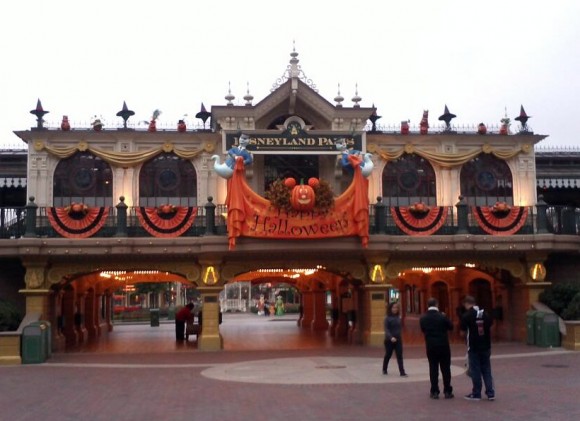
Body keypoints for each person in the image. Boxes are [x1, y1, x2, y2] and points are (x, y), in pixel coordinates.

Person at [461, 295, 495, 401]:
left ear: (467, 304)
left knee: (475, 370)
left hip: (474, 346)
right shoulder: (485, 314)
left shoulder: (467, 315)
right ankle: (490, 393)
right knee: (487, 369)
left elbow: (462, 332)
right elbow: (490, 325)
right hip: (486, 345)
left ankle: (476, 393)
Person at [419, 297, 454, 399]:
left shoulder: (423, 318)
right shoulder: (442, 317)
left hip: (431, 346)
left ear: (428, 305)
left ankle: (434, 391)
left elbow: (423, 329)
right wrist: (446, 317)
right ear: (437, 304)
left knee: (433, 368)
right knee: (446, 368)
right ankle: (447, 391)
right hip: (443, 345)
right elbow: (451, 327)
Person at [382, 302, 408, 377]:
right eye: (393, 308)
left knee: (399, 355)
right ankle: (384, 368)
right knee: (388, 355)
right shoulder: (387, 318)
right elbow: (386, 329)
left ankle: (402, 372)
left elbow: (400, 328)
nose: (395, 309)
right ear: (390, 309)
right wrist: (390, 337)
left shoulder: (398, 317)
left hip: (398, 339)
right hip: (389, 340)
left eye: (396, 308)